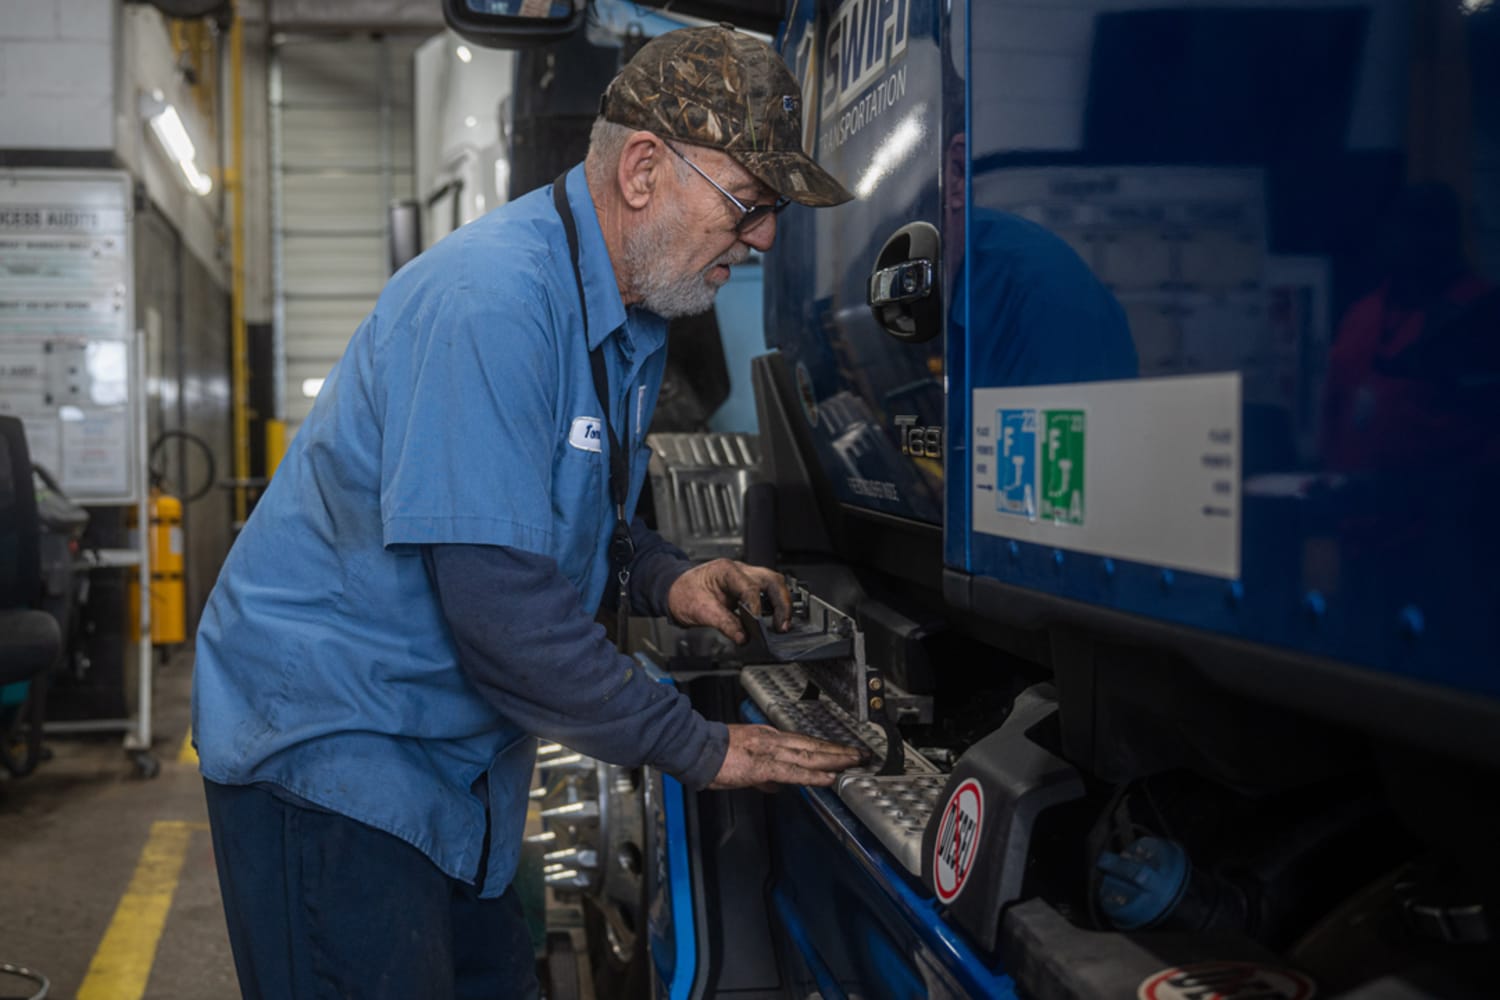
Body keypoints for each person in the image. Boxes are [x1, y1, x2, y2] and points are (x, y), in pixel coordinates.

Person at [191, 24, 861, 999]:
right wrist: (700, 747)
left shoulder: (625, 319)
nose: (761, 238)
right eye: (749, 203)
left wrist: (672, 577)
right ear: (642, 170)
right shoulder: (492, 304)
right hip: (332, 755)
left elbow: (585, 516)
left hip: (451, 764)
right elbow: (502, 614)